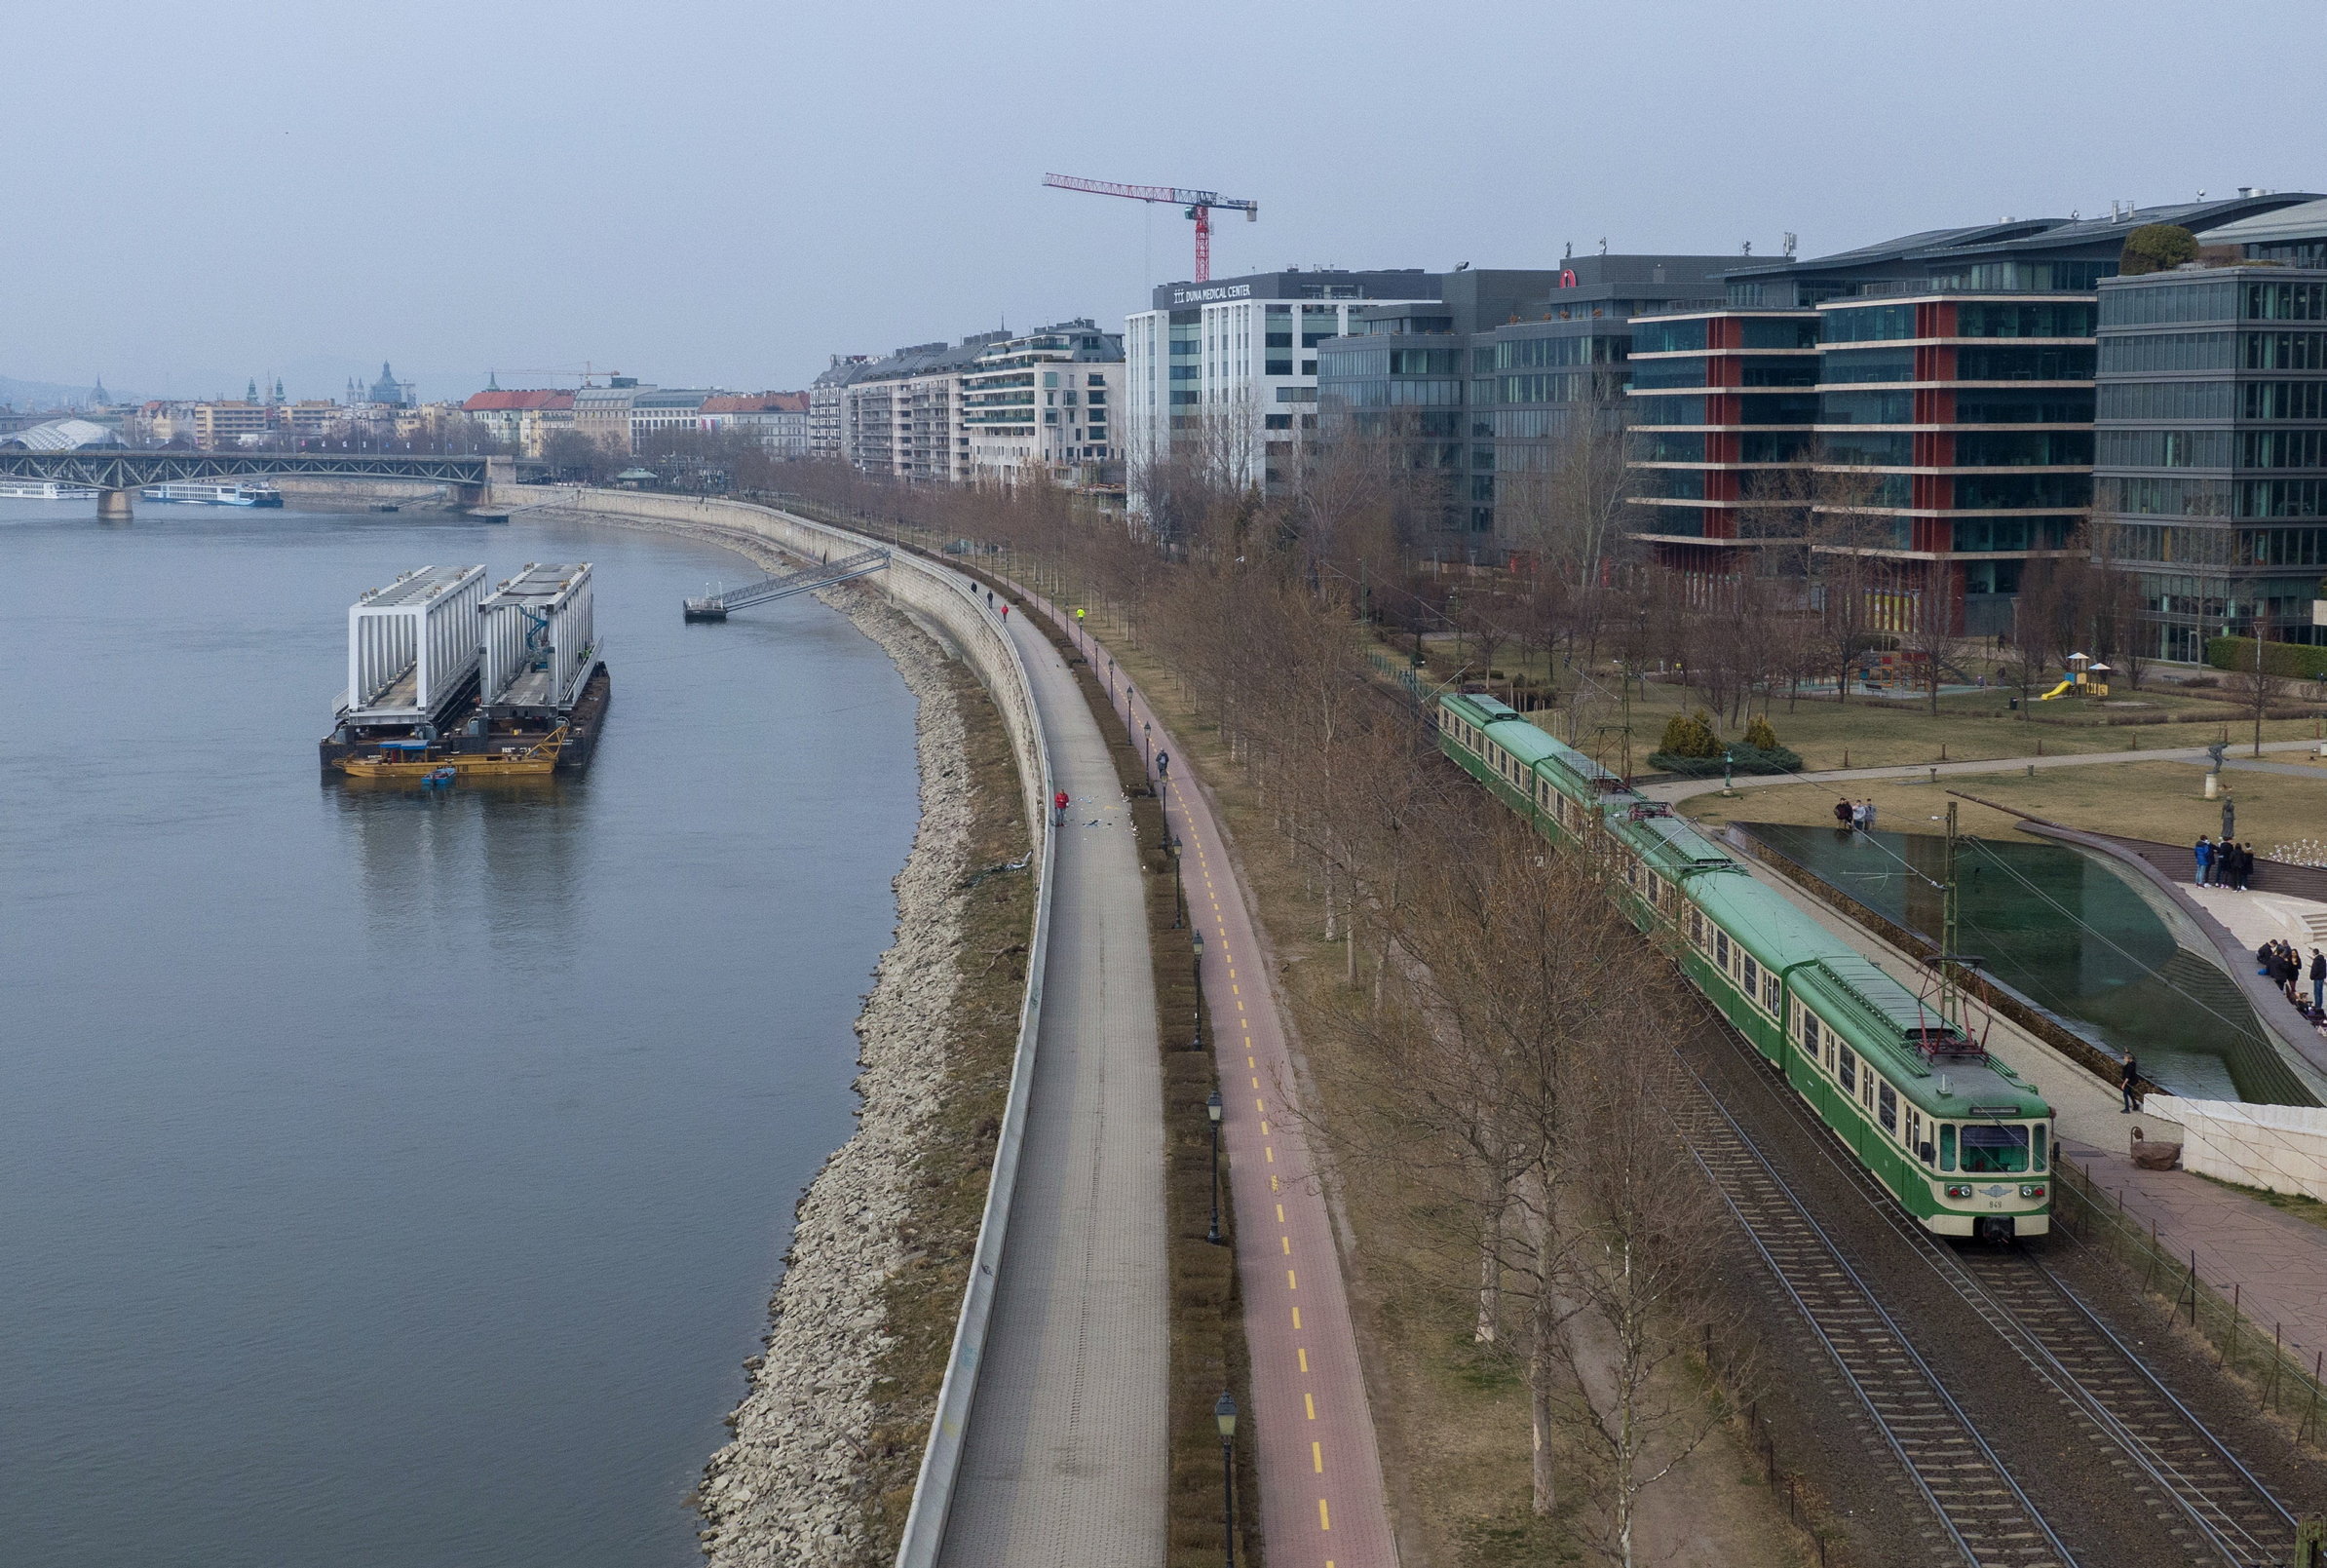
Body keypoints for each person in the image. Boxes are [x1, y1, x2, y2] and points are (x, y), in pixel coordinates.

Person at [2311, 948, 2325, 1013]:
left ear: (2314, 953)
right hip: (2321, 978)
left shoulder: (2316, 960)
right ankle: (2319, 1006)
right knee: (2320, 992)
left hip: (2317, 978)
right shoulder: (2323, 960)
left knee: (2317, 993)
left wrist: (2312, 976)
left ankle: (2317, 1006)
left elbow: (2315, 970)